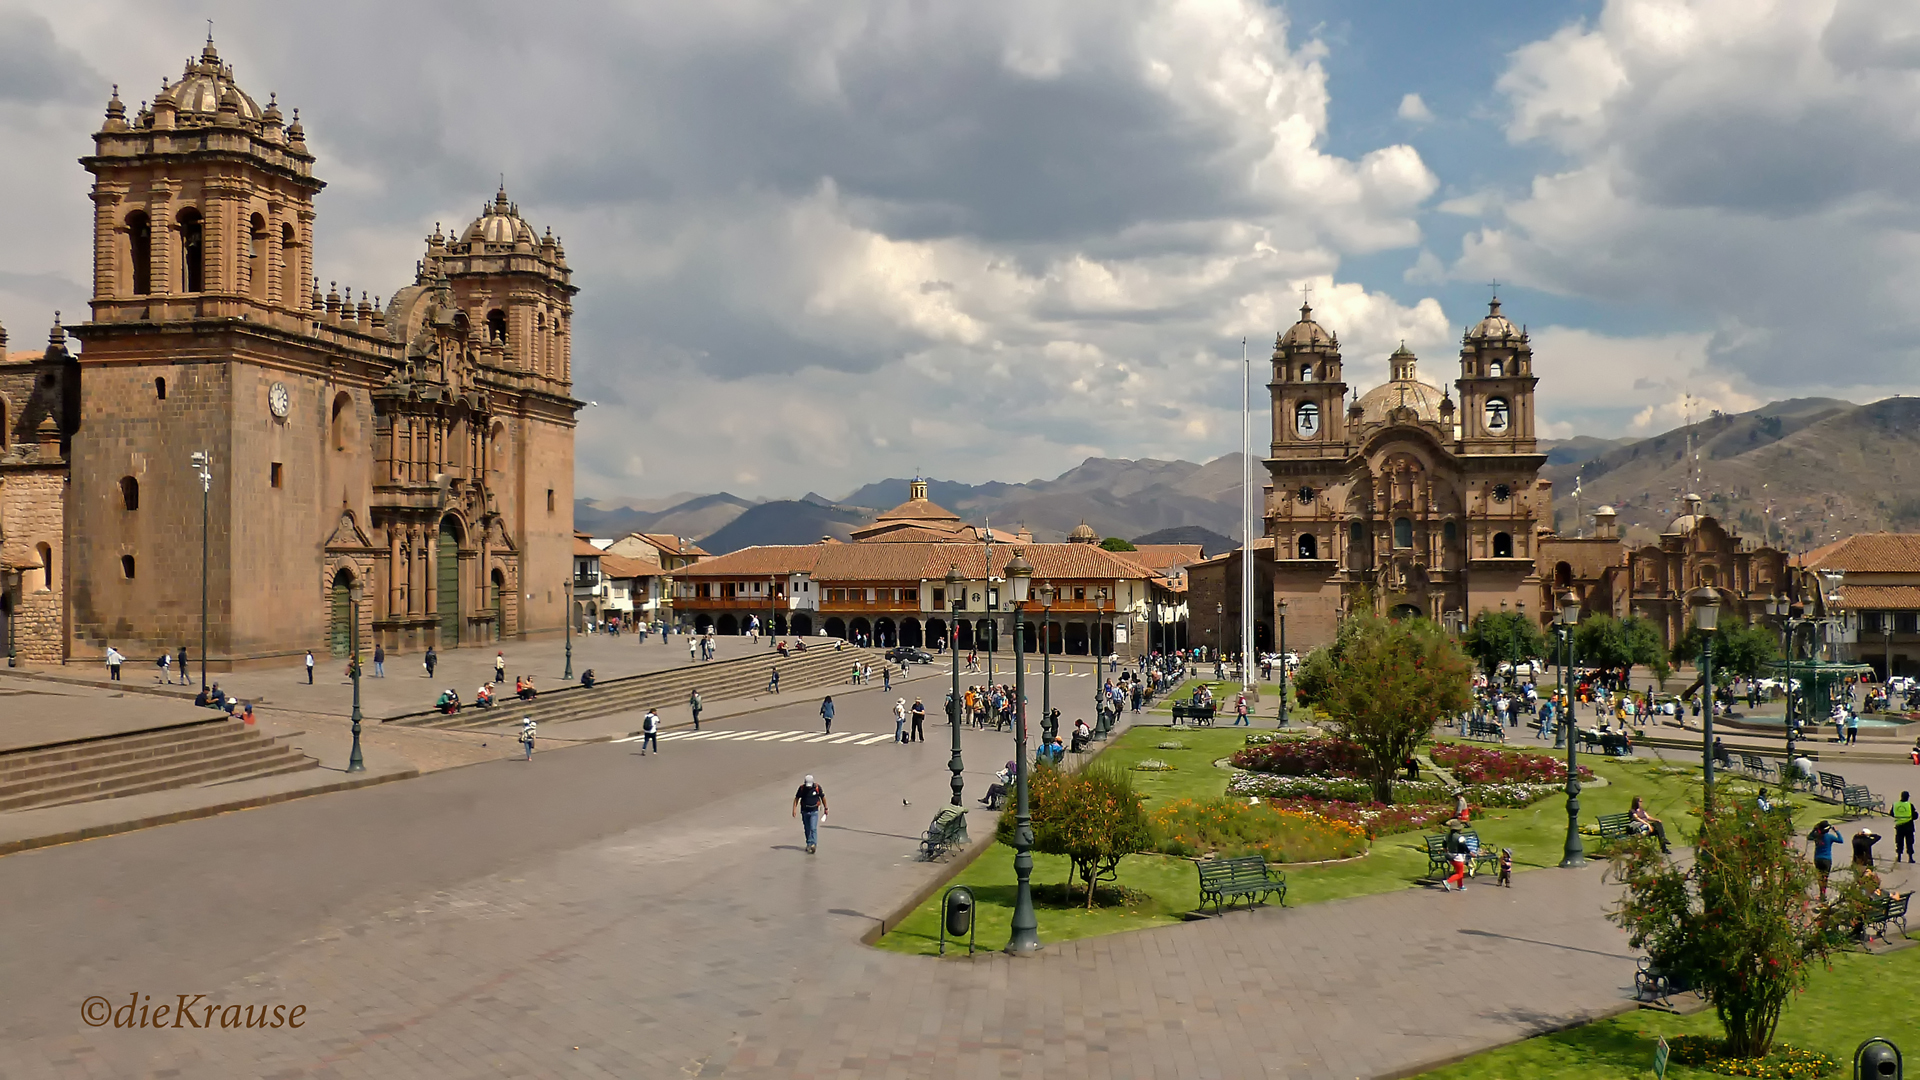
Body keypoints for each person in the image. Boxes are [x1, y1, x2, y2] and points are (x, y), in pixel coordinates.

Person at [1808, 820, 1843, 899]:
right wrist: (1837, 831)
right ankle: (1823, 893)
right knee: (1825, 877)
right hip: (1827, 859)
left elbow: (1809, 837)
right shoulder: (1829, 837)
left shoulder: (1816, 836)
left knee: (1820, 876)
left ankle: (1821, 892)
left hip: (1817, 859)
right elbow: (1841, 840)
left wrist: (1814, 830)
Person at [792, 775, 827, 854]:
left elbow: (823, 797)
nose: (808, 788)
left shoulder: (817, 788)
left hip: (814, 811)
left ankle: (813, 844)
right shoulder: (801, 789)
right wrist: (794, 809)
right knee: (807, 828)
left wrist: (826, 808)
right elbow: (796, 798)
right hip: (804, 811)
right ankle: (808, 843)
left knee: (813, 828)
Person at [1442, 825, 1470, 892]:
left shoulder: (1447, 836)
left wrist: (1446, 850)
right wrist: (1470, 852)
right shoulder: (1460, 838)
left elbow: (1444, 844)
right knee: (1460, 874)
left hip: (1450, 856)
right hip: (1458, 857)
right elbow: (1464, 847)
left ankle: (1460, 885)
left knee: (1458, 872)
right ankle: (1448, 881)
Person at [1894, 791, 1916, 864]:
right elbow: (1915, 816)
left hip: (1899, 827)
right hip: (1909, 827)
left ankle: (1899, 857)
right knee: (1909, 842)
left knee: (1899, 842)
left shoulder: (1895, 805)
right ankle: (1910, 858)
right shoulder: (1910, 805)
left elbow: (1891, 813)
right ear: (1908, 797)